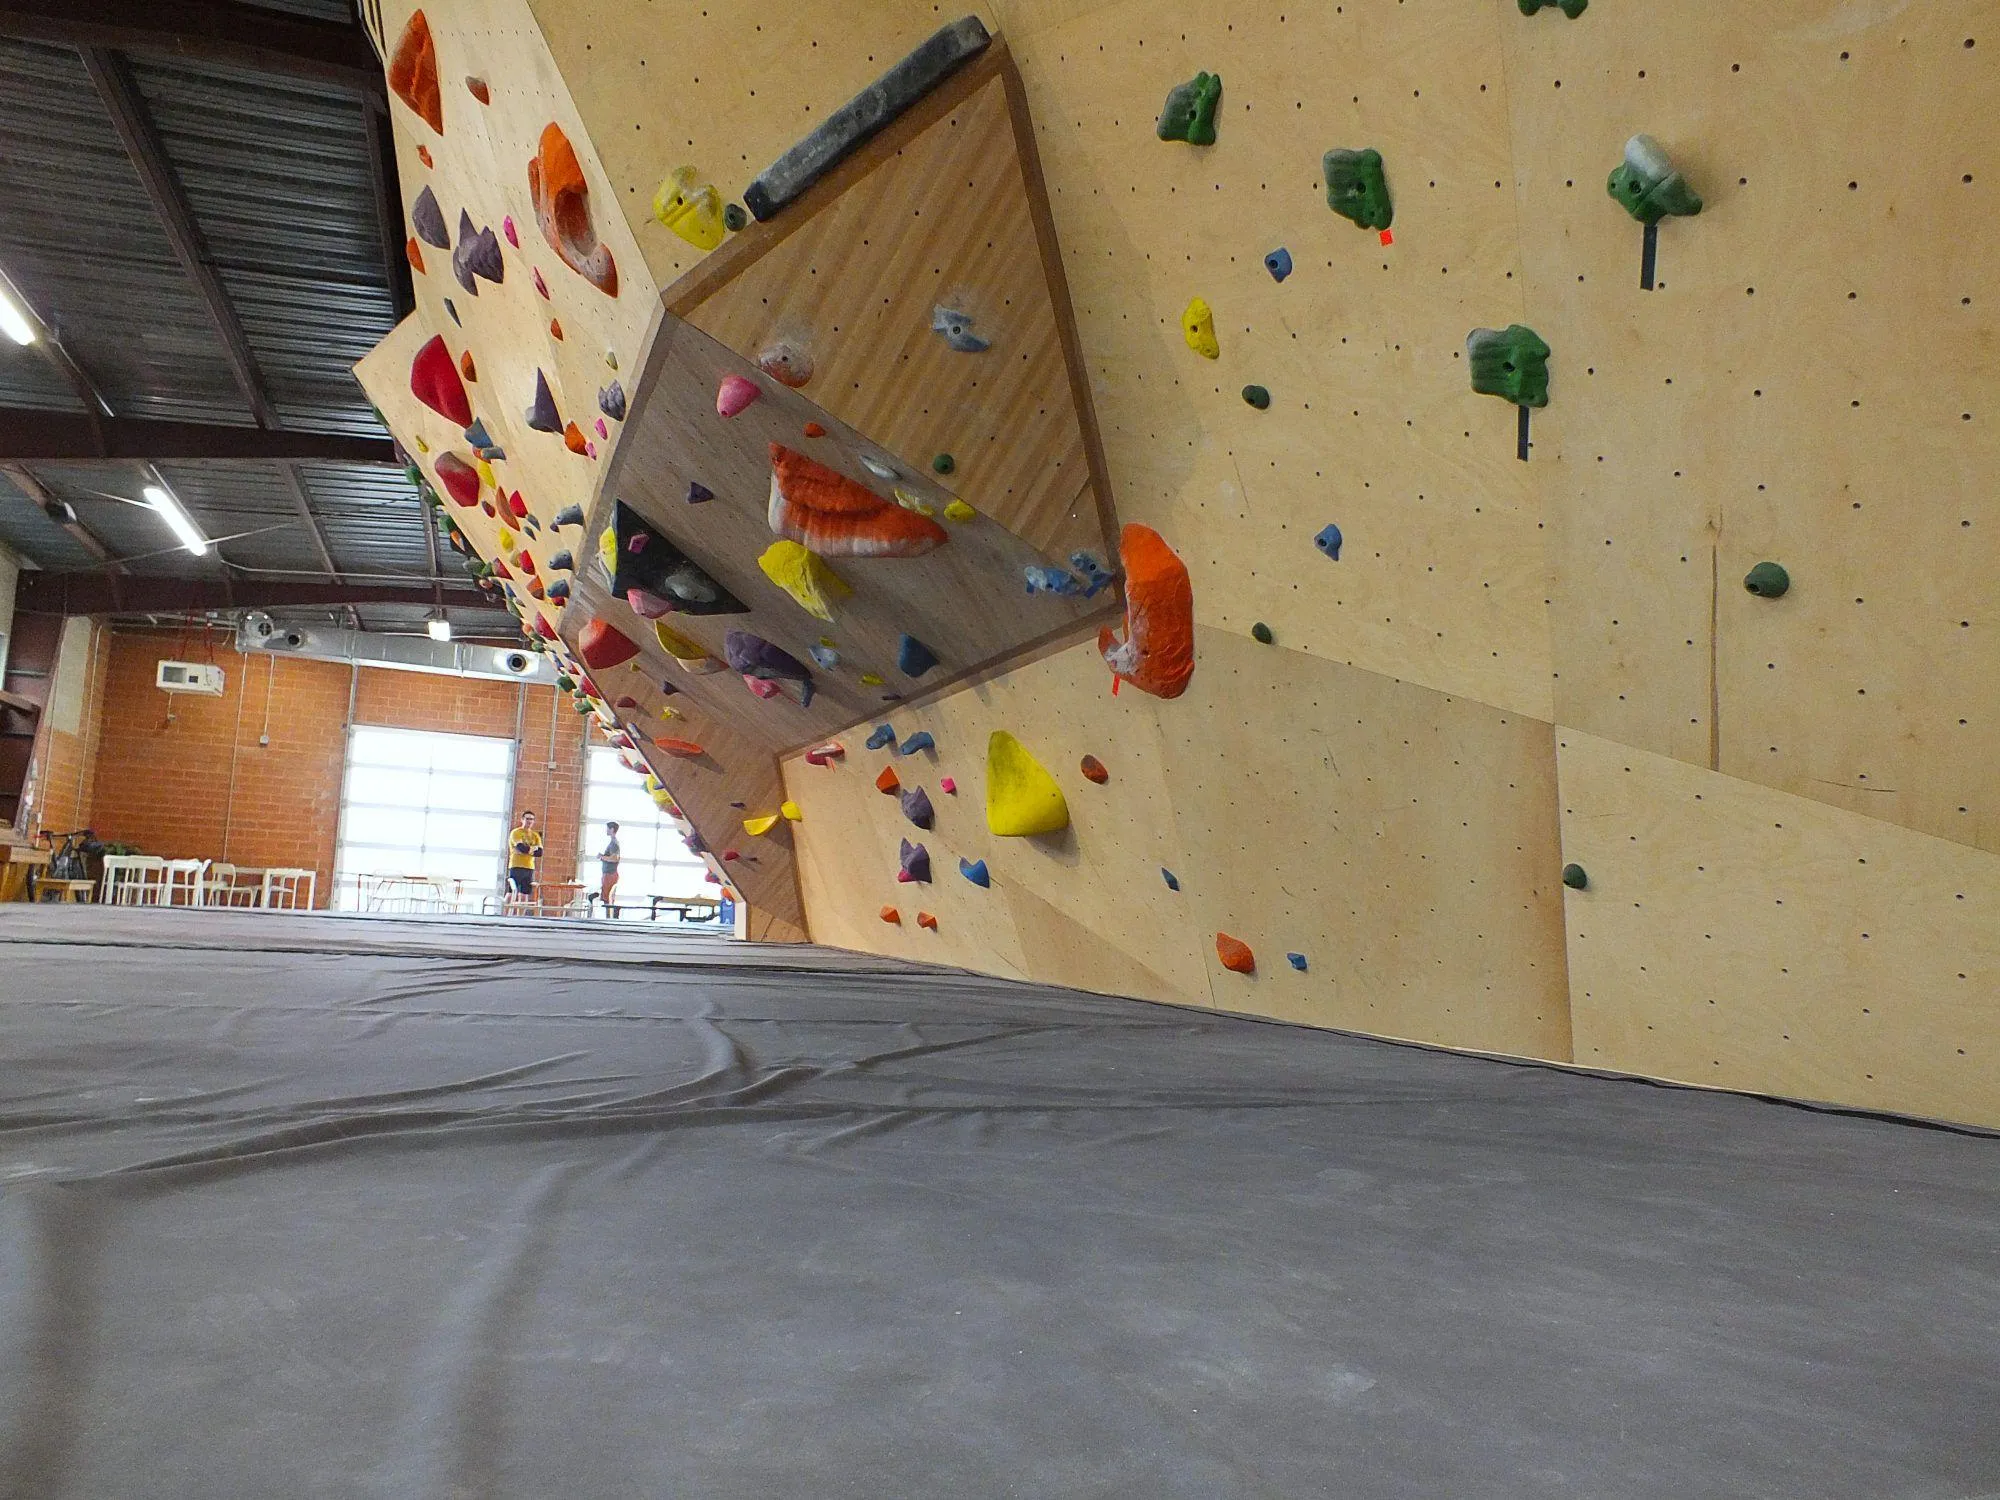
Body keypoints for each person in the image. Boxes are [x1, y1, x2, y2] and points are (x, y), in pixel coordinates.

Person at [505, 811, 542, 910]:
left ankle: (520, 917)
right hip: (516, 865)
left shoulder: (535, 835)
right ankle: (504, 914)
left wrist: (527, 850)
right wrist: (531, 849)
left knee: (525, 893)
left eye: (531, 819)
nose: (529, 821)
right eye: (527, 819)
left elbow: (540, 852)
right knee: (511, 891)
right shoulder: (516, 832)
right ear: (522, 820)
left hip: (529, 867)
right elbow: (521, 847)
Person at [598, 821, 621, 917]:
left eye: (607, 828)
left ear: (611, 829)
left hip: (610, 874)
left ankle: (608, 919)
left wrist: (602, 857)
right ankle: (607, 918)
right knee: (607, 899)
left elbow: (615, 858)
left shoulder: (614, 843)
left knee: (608, 899)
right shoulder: (613, 842)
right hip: (608, 874)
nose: (606, 830)